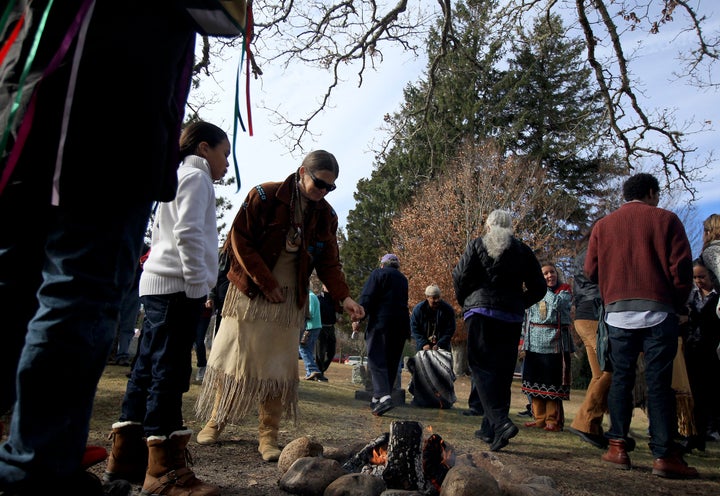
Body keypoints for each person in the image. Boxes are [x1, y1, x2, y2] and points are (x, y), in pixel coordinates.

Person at [0, 3, 199, 494]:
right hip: (117, 98)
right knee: (78, 289)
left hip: (27, 88)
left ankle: (29, 461)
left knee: (14, 279)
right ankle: (37, 472)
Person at [193, 150, 365, 463]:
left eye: (331, 188)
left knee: (278, 369)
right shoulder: (264, 195)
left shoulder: (326, 215)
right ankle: (215, 421)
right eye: (320, 183)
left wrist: (345, 297)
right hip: (249, 294)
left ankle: (268, 434)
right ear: (302, 172)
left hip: (289, 302)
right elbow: (238, 240)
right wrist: (264, 283)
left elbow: (329, 261)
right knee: (235, 359)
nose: (324, 192)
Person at [104, 121, 230, 496]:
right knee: (170, 372)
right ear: (204, 148)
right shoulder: (196, 176)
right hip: (176, 289)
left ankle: (127, 460)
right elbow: (188, 233)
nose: (226, 163)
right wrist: (197, 284)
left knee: (145, 369)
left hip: (160, 287)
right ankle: (164, 472)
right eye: (225, 153)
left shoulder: (178, 177)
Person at [585, 172, 698, 478]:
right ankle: (664, 455)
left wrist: (614, 285)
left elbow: (590, 270)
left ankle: (617, 446)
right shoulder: (666, 220)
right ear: (651, 192)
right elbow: (682, 269)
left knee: (621, 378)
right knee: (659, 385)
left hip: (618, 313)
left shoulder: (603, 225)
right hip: (659, 311)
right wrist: (678, 302)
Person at [452, 209, 546, 452]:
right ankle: (490, 429)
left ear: (488, 226)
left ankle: (501, 423)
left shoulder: (477, 245)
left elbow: (459, 276)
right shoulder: (523, 250)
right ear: (510, 227)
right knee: (502, 373)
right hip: (510, 317)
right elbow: (539, 287)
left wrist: (468, 300)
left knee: (481, 369)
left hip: (481, 314)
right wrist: (519, 302)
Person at [566, 232, 613, 449]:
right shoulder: (596, 254)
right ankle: (584, 421)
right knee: (610, 370)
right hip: (594, 315)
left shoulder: (583, 254)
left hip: (585, 315)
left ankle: (593, 426)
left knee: (598, 374)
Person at [354, 253, 411, 417]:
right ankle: (378, 399)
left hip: (382, 322)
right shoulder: (403, 279)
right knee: (391, 362)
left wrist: (359, 317)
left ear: (382, 265)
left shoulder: (378, 274)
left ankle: (384, 396)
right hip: (401, 325)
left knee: (376, 358)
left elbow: (368, 297)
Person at [520, 262, 574, 432]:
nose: (550, 276)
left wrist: (542, 289)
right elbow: (526, 317)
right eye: (545, 274)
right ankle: (539, 418)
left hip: (555, 343)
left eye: (552, 272)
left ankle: (553, 420)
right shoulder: (532, 294)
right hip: (534, 342)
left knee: (552, 382)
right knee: (534, 382)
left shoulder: (564, 290)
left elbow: (559, 304)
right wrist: (523, 342)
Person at [680, 258, 720, 452]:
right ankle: (691, 435)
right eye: (695, 277)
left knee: (707, 395)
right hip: (691, 349)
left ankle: (703, 434)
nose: (698, 281)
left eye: (702, 277)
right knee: (692, 393)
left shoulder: (716, 298)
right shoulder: (692, 297)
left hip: (711, 352)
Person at [109, 243, 151, 367]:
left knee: (127, 325)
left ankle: (122, 354)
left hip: (133, 291)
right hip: (116, 288)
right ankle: (109, 354)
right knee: (111, 322)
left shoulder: (143, 248)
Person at [410, 284, 456, 352]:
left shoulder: (447, 310)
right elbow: (414, 328)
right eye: (434, 298)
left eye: (438, 297)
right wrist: (423, 343)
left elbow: (450, 329)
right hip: (422, 348)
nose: (437, 300)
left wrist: (440, 344)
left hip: (443, 347)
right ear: (427, 297)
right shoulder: (418, 310)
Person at [299, 288, 324, 381]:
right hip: (316, 326)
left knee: (302, 348)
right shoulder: (313, 296)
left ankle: (312, 369)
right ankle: (310, 373)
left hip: (310, 327)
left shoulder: (309, 297)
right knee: (308, 349)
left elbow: (310, 313)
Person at [315, 284, 338, 382]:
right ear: (323, 286)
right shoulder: (318, 298)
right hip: (321, 327)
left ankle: (320, 371)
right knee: (320, 353)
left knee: (331, 352)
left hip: (331, 327)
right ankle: (319, 375)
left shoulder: (334, 299)